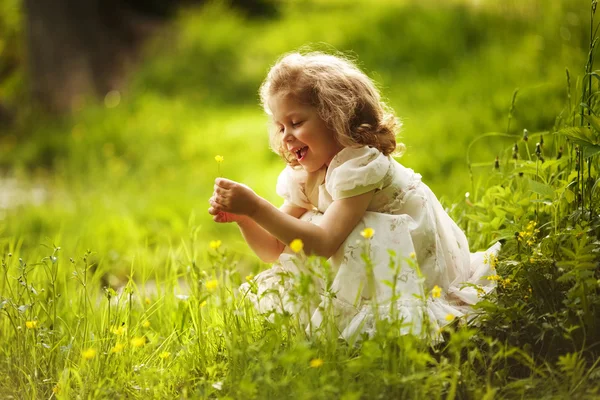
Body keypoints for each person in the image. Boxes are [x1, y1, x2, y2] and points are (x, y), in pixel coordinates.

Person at [208, 51, 500, 341]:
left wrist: (257, 207)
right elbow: (273, 248)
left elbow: (322, 244)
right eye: (280, 126)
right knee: (306, 222)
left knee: (332, 229)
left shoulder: (359, 167)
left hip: (406, 261)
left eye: (296, 123)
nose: (286, 136)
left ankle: (388, 316)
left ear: (335, 118)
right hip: (373, 258)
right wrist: (245, 218)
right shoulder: (306, 175)